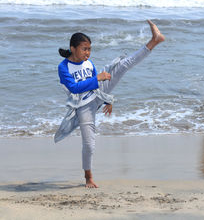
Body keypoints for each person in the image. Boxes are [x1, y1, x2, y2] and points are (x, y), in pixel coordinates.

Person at [56, 20, 165, 188]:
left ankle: (154, 41)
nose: (88, 53)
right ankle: (88, 177)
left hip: (97, 94)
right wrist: (97, 78)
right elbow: (74, 88)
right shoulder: (64, 67)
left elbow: (96, 85)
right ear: (73, 49)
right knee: (89, 145)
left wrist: (107, 99)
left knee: (122, 66)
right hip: (83, 106)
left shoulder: (88, 63)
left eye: (90, 49)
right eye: (84, 49)